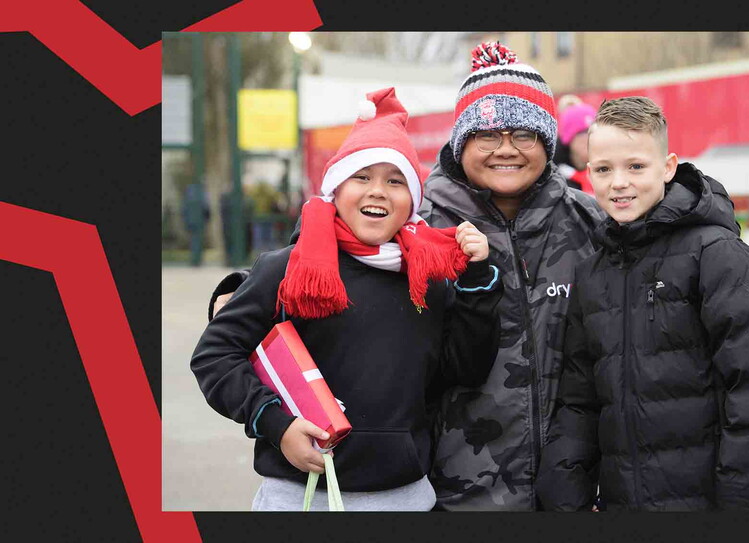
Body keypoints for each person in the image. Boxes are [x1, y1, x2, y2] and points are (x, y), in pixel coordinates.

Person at [209, 42, 605, 511]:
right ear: (462, 142)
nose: (506, 150)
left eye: (524, 134)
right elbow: (321, 249)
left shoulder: (589, 221)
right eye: (487, 135)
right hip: (452, 485)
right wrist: (239, 290)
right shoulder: (414, 219)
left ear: (547, 141)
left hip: (566, 481)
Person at [191, 88, 502, 511]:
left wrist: (477, 280)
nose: (378, 191)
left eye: (395, 181)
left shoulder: (428, 279)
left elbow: (465, 368)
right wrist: (276, 426)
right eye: (362, 177)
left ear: (412, 202)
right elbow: (214, 355)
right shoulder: (285, 269)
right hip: (298, 495)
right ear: (335, 191)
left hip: (403, 496)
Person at [535, 96, 749, 511]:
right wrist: (566, 502)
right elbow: (578, 403)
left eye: (636, 166)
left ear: (668, 167)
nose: (619, 182)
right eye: (603, 169)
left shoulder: (717, 253)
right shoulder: (592, 271)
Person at [556, 98, 597, 195]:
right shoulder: (555, 177)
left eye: (592, 131)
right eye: (582, 132)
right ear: (569, 139)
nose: (588, 137)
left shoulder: (609, 167)